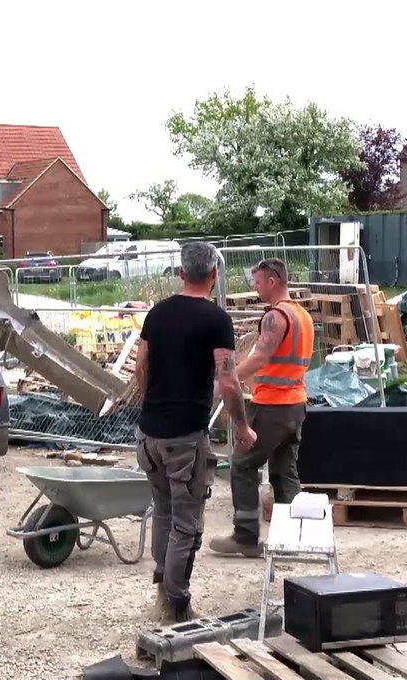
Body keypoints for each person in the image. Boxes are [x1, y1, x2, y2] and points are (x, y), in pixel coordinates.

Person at [134, 241, 256, 622]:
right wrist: (241, 425)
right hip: (185, 437)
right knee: (186, 525)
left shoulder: (157, 313)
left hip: (149, 434)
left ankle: (161, 591)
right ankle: (177, 605)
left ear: (181, 273)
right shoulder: (216, 320)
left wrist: (153, 403)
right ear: (214, 274)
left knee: (164, 512)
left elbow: (141, 368)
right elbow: (230, 381)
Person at [209, 257, 315, 559]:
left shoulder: (275, 317)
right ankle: (293, 537)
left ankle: (245, 536)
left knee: (242, 464)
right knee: (284, 471)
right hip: (295, 404)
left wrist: (227, 380)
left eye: (257, 282)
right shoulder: (301, 316)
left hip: (272, 406)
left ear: (272, 281)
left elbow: (260, 359)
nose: (254, 288)